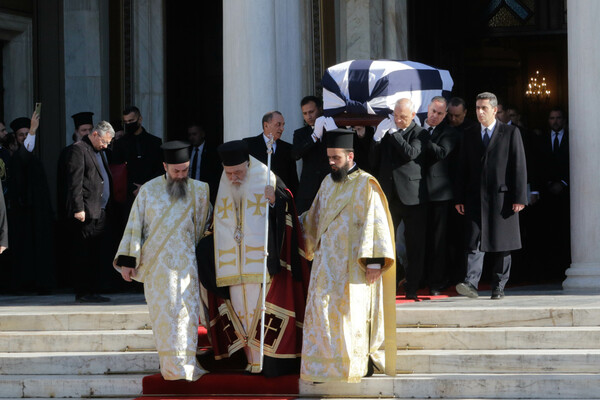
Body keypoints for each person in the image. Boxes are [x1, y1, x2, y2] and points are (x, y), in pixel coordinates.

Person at [198, 140, 309, 376]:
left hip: (261, 267)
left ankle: (265, 361)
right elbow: (217, 223)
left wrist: (275, 201)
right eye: (229, 173)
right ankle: (248, 360)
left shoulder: (266, 177)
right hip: (231, 268)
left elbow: (288, 207)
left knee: (261, 314)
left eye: (238, 172)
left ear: (247, 165)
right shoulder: (224, 184)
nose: (234, 178)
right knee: (240, 314)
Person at [300, 129, 396, 383]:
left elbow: (376, 224)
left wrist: (374, 262)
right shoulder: (326, 183)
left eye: (336, 158)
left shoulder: (367, 184)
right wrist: (282, 209)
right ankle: (325, 367)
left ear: (350, 156)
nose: (331, 163)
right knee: (322, 314)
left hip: (354, 265)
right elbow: (313, 219)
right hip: (325, 265)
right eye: (329, 158)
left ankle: (354, 364)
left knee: (350, 315)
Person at [114, 140, 212, 381]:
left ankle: (187, 366)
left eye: (185, 170)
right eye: (176, 171)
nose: (181, 176)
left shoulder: (200, 191)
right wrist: (128, 261)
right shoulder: (148, 190)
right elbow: (135, 226)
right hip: (158, 268)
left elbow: (205, 226)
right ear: (165, 166)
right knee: (164, 316)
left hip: (187, 264)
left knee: (186, 315)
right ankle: (170, 367)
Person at [454, 92, 527, 300]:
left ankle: (498, 286)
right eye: (477, 108)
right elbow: (462, 168)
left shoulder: (511, 133)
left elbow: (519, 166)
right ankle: (471, 282)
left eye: (484, 108)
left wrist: (520, 197)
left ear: (495, 110)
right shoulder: (469, 134)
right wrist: (459, 197)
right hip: (476, 198)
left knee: (503, 244)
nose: (479, 112)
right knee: (474, 241)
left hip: (502, 198)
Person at [370, 98, 429, 300]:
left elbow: (410, 153)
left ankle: (412, 287)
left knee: (415, 246)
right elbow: (373, 160)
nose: (397, 120)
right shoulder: (388, 132)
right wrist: (377, 139)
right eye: (395, 115)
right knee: (386, 243)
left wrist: (393, 134)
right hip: (390, 196)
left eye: (402, 117)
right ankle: (389, 284)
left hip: (412, 198)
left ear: (413, 115)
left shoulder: (420, 133)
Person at [65, 121, 114, 303]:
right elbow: (74, 181)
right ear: (95, 134)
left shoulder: (99, 151)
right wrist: (78, 208)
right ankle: (83, 292)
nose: (106, 145)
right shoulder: (79, 149)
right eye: (105, 141)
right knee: (83, 253)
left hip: (100, 210)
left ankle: (93, 290)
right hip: (86, 210)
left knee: (96, 253)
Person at [7, 112, 56, 293]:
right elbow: (24, 153)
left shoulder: (33, 158)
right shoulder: (17, 157)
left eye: (27, 133)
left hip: (39, 214)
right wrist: (33, 131)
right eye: (22, 135)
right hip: (24, 215)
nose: (25, 137)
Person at [422, 97, 459, 295]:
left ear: (445, 115)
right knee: (421, 240)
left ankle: (437, 281)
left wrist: (422, 134)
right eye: (432, 111)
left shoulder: (449, 132)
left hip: (439, 195)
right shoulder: (418, 127)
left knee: (438, 241)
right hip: (417, 193)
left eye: (439, 113)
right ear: (427, 109)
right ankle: (421, 278)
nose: (434, 116)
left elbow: (441, 152)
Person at [529, 108, 570, 280]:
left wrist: (563, 183)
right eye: (552, 118)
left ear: (564, 120)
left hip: (567, 195)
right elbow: (536, 166)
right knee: (547, 232)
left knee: (565, 232)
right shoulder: (541, 140)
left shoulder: (572, 138)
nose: (555, 121)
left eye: (558, 118)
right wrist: (541, 187)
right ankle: (548, 271)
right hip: (546, 195)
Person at [111, 105, 163, 209]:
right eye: (126, 122)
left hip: (152, 195)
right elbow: (117, 171)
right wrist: (133, 188)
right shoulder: (120, 144)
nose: (129, 124)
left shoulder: (155, 142)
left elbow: (161, 169)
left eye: (131, 120)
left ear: (140, 119)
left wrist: (145, 187)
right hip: (128, 197)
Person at [292, 96, 337, 213]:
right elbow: (296, 154)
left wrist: (334, 133)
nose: (309, 116)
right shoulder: (300, 134)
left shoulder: (332, 128)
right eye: (305, 113)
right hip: (308, 191)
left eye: (311, 112)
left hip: (331, 186)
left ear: (320, 109)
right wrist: (314, 136)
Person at [244, 111, 298, 195]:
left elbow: (293, 180)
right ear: (266, 125)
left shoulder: (288, 148)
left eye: (283, 125)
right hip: (256, 198)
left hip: (280, 200)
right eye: (278, 124)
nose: (282, 128)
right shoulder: (249, 145)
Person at [187, 122, 222, 203]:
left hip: (207, 193)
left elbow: (216, 174)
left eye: (194, 134)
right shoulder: (187, 151)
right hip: (189, 193)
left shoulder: (213, 151)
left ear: (202, 134)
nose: (192, 137)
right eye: (190, 135)